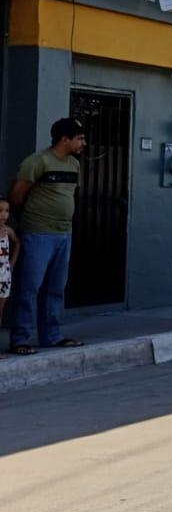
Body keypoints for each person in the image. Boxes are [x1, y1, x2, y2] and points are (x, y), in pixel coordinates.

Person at [8, 117, 86, 355]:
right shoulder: (37, 162)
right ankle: (20, 338)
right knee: (29, 287)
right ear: (65, 139)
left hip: (64, 234)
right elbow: (16, 196)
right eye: (80, 138)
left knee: (55, 288)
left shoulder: (74, 164)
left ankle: (51, 336)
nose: (84, 143)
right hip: (38, 233)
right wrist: (29, 222)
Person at [0, 198, 16, 338]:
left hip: (4, 277)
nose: (3, 214)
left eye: (7, 211)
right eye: (0, 211)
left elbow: (18, 243)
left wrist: (12, 263)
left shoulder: (8, 231)